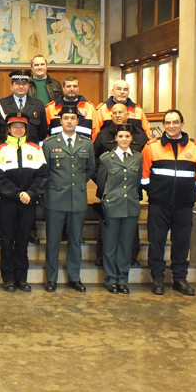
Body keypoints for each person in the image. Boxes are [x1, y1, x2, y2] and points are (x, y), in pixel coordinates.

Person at [142, 109, 196, 296]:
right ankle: (158, 278)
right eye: (168, 123)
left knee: (181, 242)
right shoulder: (152, 147)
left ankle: (180, 278)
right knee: (157, 241)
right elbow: (144, 175)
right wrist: (153, 191)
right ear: (163, 125)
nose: (171, 126)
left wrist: (189, 190)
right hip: (159, 203)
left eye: (175, 122)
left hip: (184, 204)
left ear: (182, 124)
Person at [0, 113, 47, 292]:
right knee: (7, 241)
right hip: (7, 202)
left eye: (21, 127)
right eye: (14, 126)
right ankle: (8, 278)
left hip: (28, 202)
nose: (18, 129)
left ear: (26, 129)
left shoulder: (36, 149)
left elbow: (42, 176)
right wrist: (17, 194)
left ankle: (21, 278)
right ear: (8, 128)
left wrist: (29, 193)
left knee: (23, 241)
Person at [42, 105, 95, 292]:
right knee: (53, 240)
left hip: (78, 198)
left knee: (75, 240)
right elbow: (45, 171)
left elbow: (90, 169)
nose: (70, 121)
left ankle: (74, 277)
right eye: (66, 118)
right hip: (55, 198)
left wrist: (78, 183)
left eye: (73, 118)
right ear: (60, 121)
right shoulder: (49, 143)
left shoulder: (86, 144)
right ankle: (51, 278)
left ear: (77, 121)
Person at [92, 102, 149, 266]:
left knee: (130, 230)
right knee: (107, 228)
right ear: (111, 115)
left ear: (127, 115)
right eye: (114, 112)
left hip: (130, 191)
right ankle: (103, 257)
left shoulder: (140, 135)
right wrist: (105, 182)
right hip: (108, 191)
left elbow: (143, 164)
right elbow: (95, 161)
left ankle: (131, 257)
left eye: (121, 112)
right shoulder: (102, 135)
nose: (118, 115)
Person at [96, 124, 143, 295]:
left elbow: (138, 181)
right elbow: (101, 182)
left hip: (130, 206)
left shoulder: (137, 158)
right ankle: (111, 279)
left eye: (127, 136)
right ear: (116, 138)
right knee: (110, 245)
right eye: (121, 136)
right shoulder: (106, 159)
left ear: (132, 139)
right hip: (112, 206)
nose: (124, 139)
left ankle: (123, 279)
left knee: (125, 245)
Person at [0, 69, 48, 144]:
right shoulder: (0, 104)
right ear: (11, 86)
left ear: (28, 86)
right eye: (17, 83)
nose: (21, 86)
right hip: (7, 149)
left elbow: (43, 132)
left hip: (30, 150)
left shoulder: (38, 105)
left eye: (24, 83)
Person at [45, 75, 98, 140]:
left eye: (75, 86)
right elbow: (45, 133)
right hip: (57, 148)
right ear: (63, 88)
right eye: (68, 86)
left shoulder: (90, 108)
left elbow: (96, 132)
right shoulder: (51, 108)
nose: (72, 89)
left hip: (83, 148)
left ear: (78, 88)